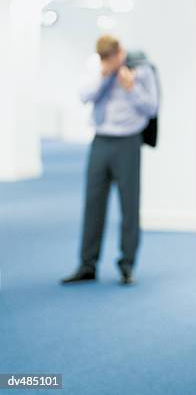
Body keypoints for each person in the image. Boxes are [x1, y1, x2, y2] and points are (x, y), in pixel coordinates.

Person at [61, 35, 159, 286]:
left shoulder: (141, 68)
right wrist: (104, 76)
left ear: (121, 52)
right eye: (105, 59)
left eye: (113, 57)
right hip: (100, 141)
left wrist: (131, 87)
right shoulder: (96, 68)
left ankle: (127, 265)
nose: (111, 62)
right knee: (93, 205)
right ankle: (87, 265)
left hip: (128, 142)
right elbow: (84, 95)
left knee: (129, 207)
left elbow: (152, 107)